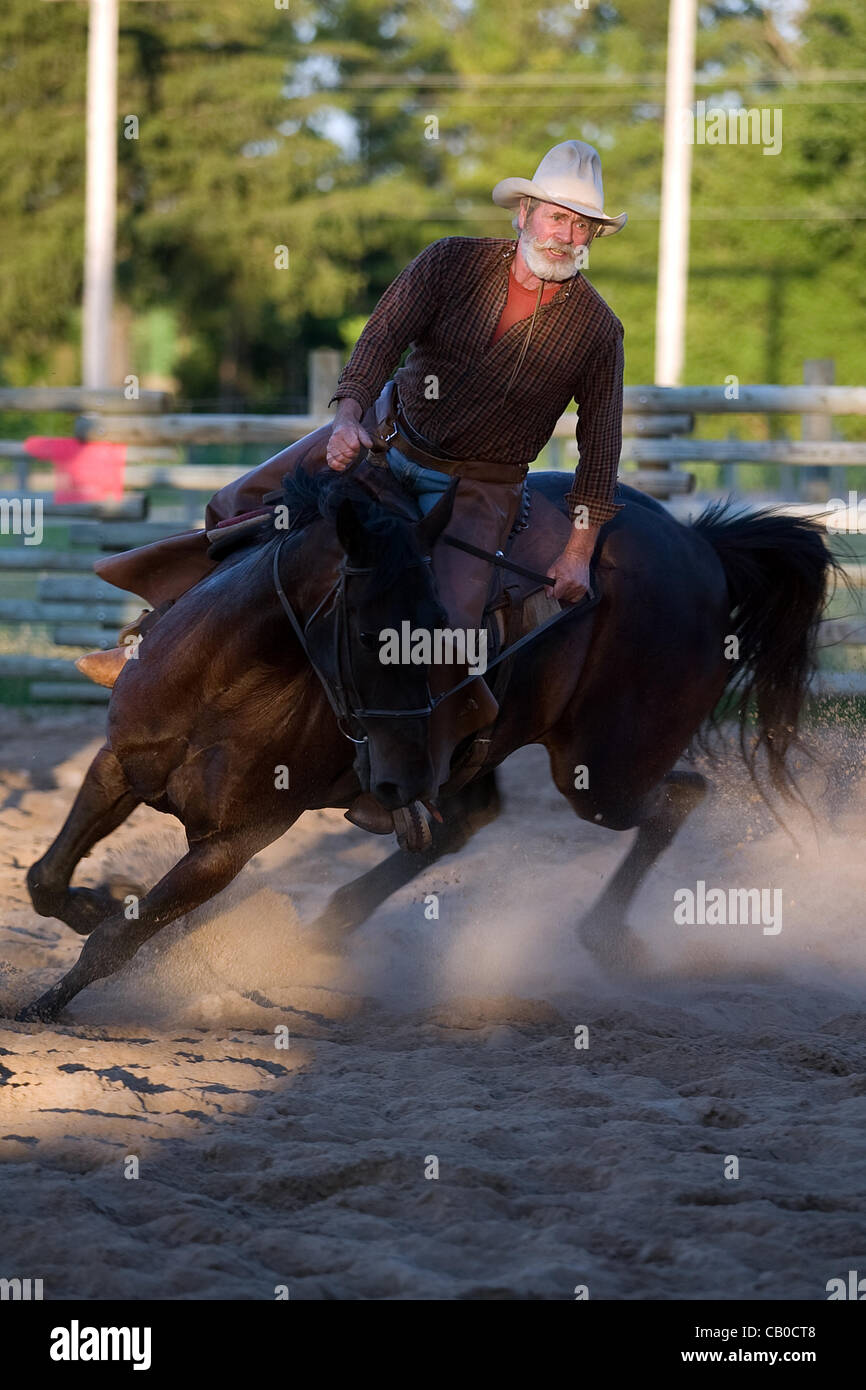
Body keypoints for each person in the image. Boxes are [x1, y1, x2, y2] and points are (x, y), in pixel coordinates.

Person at [78, 139, 627, 833]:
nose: (567, 235)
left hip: (481, 490)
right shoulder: (451, 263)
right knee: (243, 505)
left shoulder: (597, 331)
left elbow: (600, 446)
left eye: (583, 226)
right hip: (384, 436)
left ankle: (402, 782)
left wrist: (579, 547)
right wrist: (345, 419)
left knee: (447, 635)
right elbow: (380, 339)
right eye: (557, 217)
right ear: (523, 213)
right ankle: (145, 648)